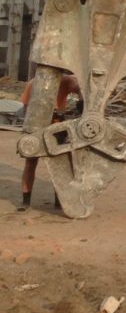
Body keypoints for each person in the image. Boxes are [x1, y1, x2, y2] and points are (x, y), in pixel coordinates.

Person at [19, 72, 80, 211]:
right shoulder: (34, 84)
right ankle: (26, 201)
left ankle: (60, 200)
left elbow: (80, 87)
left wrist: (82, 100)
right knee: (30, 163)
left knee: (61, 165)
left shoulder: (65, 81)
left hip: (56, 128)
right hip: (36, 127)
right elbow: (26, 110)